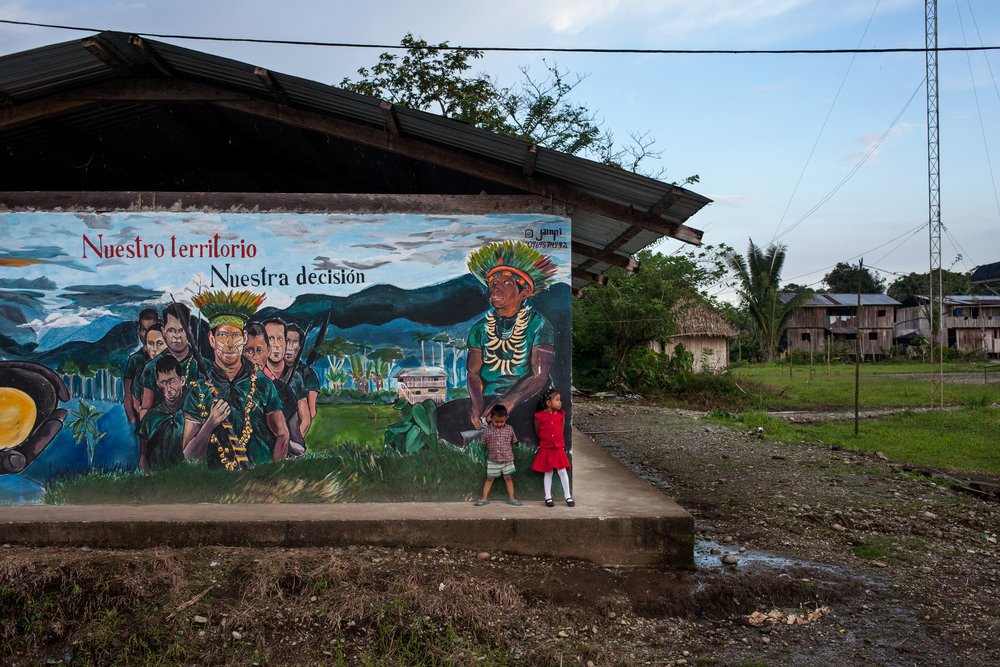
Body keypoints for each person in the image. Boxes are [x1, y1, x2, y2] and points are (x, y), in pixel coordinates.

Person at [438, 240, 559, 448]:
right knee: (442, 415)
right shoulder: (479, 329)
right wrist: (477, 404)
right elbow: (473, 373)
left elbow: (539, 376)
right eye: (493, 283)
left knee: (526, 422)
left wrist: (509, 401)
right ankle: (470, 449)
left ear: (524, 293)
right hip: (488, 400)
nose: (496, 288)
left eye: (506, 283)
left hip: (524, 399)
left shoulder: (539, 325)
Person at [181, 290, 288, 469]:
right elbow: (189, 456)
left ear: (244, 338)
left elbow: (282, 435)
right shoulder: (198, 391)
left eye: (235, 336)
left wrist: (273, 473)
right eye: (222, 335)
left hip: (259, 481)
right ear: (212, 340)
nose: (230, 344)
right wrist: (210, 423)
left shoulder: (262, 383)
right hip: (215, 485)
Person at [138, 303, 199, 421]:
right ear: (163, 331)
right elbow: (145, 409)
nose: (177, 336)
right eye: (171, 330)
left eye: (182, 330)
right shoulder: (151, 368)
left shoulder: (202, 366)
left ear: (189, 331)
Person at [263, 318, 309, 457]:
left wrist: (290, 444)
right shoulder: (257, 377)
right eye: (271, 339)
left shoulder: (296, 378)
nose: (276, 345)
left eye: (280, 339)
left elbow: (305, 418)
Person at [136, 353, 186, 471]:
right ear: (158, 384)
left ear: (182, 380)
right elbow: (143, 455)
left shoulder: (192, 408)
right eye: (164, 382)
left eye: (172, 381)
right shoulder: (151, 417)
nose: (169, 388)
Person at [531, 388, 573, 507]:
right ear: (549, 403)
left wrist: (556, 440)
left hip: (558, 448)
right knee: (548, 472)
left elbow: (562, 429)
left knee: (562, 471)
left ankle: (568, 496)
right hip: (546, 447)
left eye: (560, 400)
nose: (560, 402)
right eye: (557, 400)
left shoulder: (561, 415)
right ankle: (548, 497)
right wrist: (547, 439)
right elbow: (538, 431)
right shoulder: (539, 416)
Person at [473, 404, 522, 506]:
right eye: (496, 422)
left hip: (507, 460)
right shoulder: (487, 431)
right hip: (493, 460)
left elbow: (513, 441)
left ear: (506, 418)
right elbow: (484, 443)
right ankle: (484, 498)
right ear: (491, 418)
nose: (499, 424)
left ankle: (512, 498)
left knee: (508, 478)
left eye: (502, 422)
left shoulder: (509, 429)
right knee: (489, 478)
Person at [121, 308, 159, 424]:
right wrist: (131, 417)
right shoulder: (134, 360)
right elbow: (127, 392)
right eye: (144, 330)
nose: (148, 334)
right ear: (139, 331)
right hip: (140, 416)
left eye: (151, 329)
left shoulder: (166, 358)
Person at [285, 323, 320, 419]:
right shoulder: (273, 370)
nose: (290, 347)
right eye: (287, 341)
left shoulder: (308, 373)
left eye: (295, 342)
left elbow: (311, 412)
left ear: (300, 346)